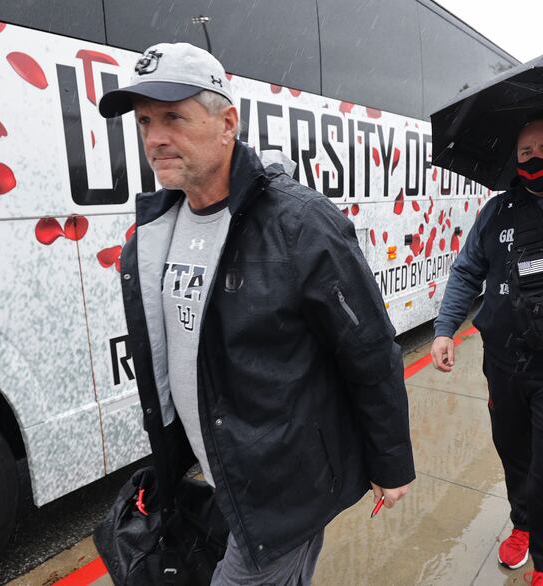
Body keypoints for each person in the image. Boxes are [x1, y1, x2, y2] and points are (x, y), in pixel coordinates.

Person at [99, 42, 414, 584]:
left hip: (285, 484)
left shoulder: (301, 223)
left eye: (173, 117)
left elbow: (368, 349)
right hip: (227, 473)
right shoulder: (157, 227)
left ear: (227, 124)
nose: (154, 139)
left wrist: (391, 463)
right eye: (145, 121)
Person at [432, 119, 543, 584]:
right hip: (502, 364)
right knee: (513, 452)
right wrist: (444, 329)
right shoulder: (496, 211)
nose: (534, 158)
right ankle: (524, 525)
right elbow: (466, 271)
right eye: (525, 151)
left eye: (542, 148)